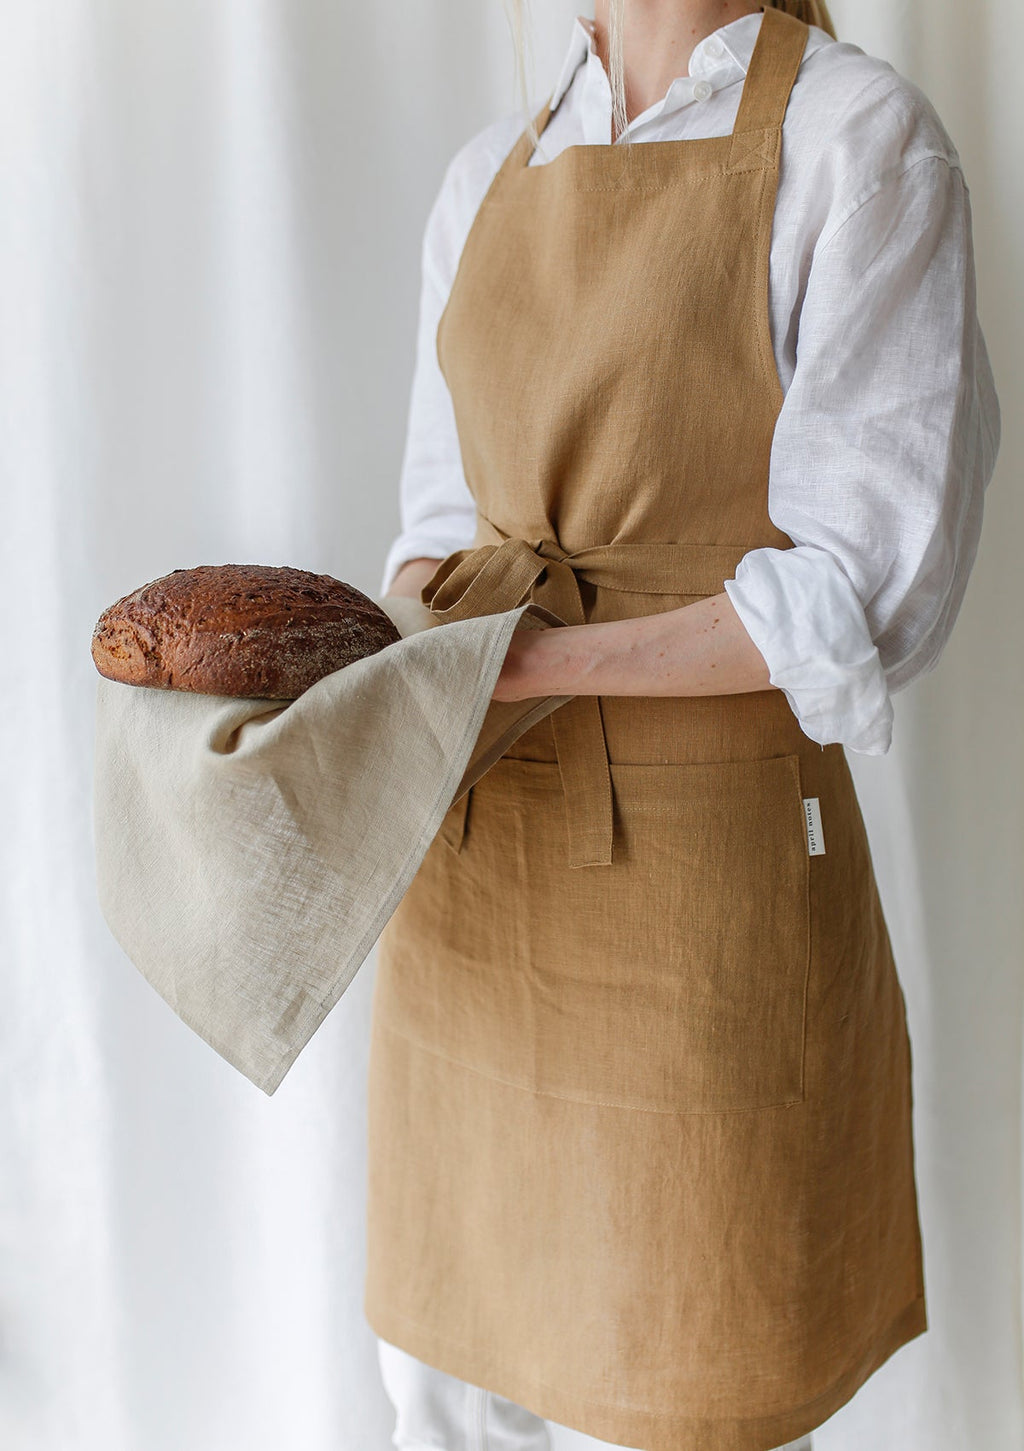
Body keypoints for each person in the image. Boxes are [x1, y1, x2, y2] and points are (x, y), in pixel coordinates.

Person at [370, 2, 1001, 1448]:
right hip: (467, 882)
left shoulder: (858, 142)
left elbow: (863, 592)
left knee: (682, 1378)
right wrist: (365, 672)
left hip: (700, 904)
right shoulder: (486, 176)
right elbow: (434, 529)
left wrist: (532, 665)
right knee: (446, 1389)